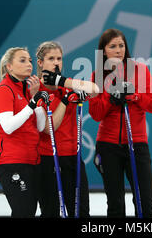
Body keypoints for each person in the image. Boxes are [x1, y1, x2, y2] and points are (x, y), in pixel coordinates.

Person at [89, 28, 152, 217]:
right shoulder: (97, 75)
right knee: (115, 202)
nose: (119, 50)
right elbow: (95, 114)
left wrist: (133, 95)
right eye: (113, 46)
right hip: (108, 145)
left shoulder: (139, 70)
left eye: (121, 45)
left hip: (136, 144)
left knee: (145, 200)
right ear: (104, 51)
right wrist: (110, 99)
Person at [35, 41, 99, 218]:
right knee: (51, 212)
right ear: (40, 63)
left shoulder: (67, 84)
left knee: (80, 211)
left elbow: (95, 89)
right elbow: (49, 128)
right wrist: (65, 100)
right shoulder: (36, 89)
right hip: (48, 158)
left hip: (73, 157)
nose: (56, 63)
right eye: (51, 59)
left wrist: (62, 81)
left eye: (59, 59)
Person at [0, 47, 50, 217]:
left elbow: (40, 127)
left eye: (30, 60)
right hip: (13, 163)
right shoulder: (4, 90)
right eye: (22, 60)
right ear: (9, 67)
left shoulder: (25, 90)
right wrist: (32, 104)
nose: (29, 64)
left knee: (29, 211)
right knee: (23, 212)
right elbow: (8, 126)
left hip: (33, 162)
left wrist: (35, 99)